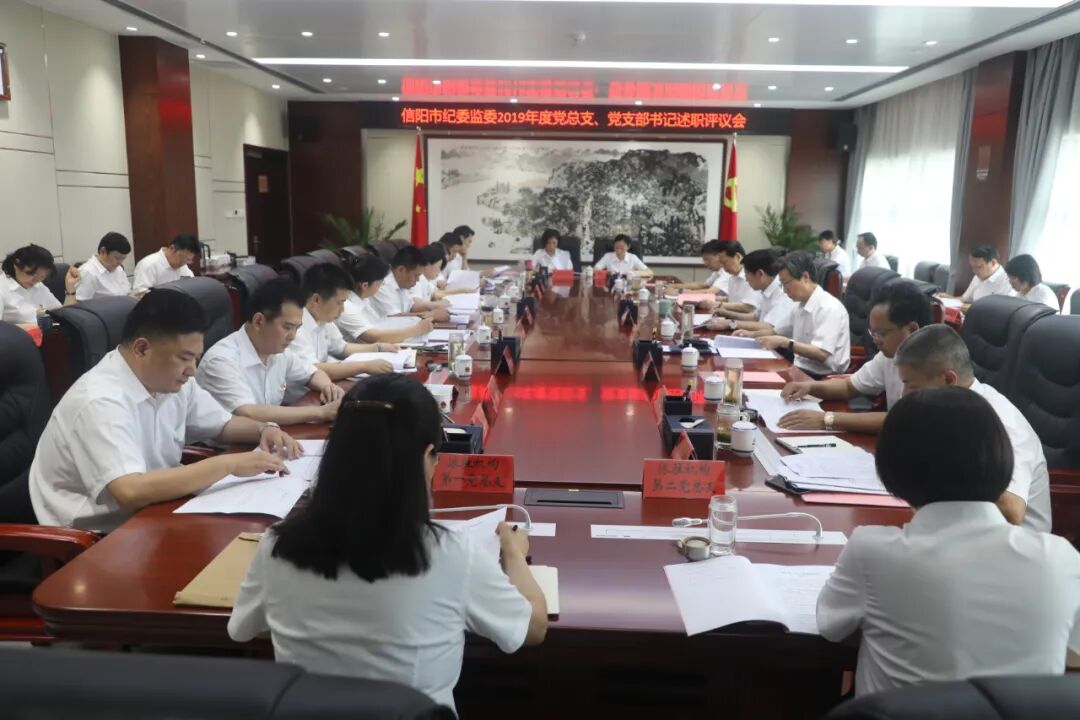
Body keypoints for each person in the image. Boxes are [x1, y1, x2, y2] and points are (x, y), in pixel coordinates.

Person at [228, 374, 547, 712]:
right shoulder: (452, 554)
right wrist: (514, 553)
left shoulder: (276, 547)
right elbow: (532, 627)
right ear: (427, 455)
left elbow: (243, 630)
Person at [817, 386, 1080, 697]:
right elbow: (1073, 654)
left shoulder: (871, 551)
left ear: (892, 469)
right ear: (1001, 458)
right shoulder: (1061, 559)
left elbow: (830, 626)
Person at [29, 290, 299, 533]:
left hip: (156, 511)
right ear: (142, 348)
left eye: (196, 358)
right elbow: (130, 491)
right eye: (184, 358)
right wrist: (229, 464)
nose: (192, 370)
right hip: (97, 535)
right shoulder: (100, 400)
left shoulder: (171, 381)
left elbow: (223, 424)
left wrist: (264, 429)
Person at [893, 324, 1050, 532]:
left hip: (1013, 543)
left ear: (948, 380)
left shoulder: (1001, 422)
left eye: (913, 387)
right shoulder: (947, 409)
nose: (904, 395)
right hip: (961, 528)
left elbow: (1012, 511)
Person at [778, 282, 932, 433]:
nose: (875, 340)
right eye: (873, 332)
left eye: (882, 334)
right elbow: (848, 387)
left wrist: (827, 419)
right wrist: (810, 387)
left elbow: (904, 419)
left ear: (912, 329)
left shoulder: (933, 365)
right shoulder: (889, 356)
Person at [196, 278, 343, 425]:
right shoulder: (221, 360)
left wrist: (328, 387)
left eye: (297, 328)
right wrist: (320, 412)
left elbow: (313, 373)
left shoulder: (278, 351)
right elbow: (249, 412)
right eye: (287, 327)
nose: (292, 336)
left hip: (268, 434)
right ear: (258, 321)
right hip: (236, 439)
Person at [290, 264, 398, 390]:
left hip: (326, 388)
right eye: (339, 303)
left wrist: (377, 347)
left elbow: (342, 348)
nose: (342, 310)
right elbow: (313, 370)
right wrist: (364, 366)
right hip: (302, 396)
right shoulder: (294, 328)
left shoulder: (323, 319)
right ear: (316, 300)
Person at [755, 251, 850, 378]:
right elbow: (777, 331)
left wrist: (785, 342)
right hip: (800, 368)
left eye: (786, 283)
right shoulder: (800, 305)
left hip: (823, 377)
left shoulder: (829, 307)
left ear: (805, 277)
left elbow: (821, 353)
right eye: (782, 285)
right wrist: (749, 335)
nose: (784, 290)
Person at [336, 254, 434, 345]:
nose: (381, 286)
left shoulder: (364, 299)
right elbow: (374, 337)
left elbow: (380, 325)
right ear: (365, 285)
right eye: (380, 283)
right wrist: (417, 329)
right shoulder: (346, 306)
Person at [711, 248, 796, 337]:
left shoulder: (782, 293)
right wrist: (725, 313)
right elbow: (755, 317)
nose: (746, 279)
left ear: (760, 274)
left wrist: (731, 324)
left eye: (747, 274)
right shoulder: (766, 289)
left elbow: (769, 327)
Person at [1, 244, 79, 324]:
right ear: (16, 265)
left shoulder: (38, 285)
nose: (35, 281)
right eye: (32, 274)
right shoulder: (2, 288)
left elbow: (63, 316)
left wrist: (70, 288)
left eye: (42, 277)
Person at [371, 246, 450, 319]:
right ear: (401, 270)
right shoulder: (381, 285)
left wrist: (434, 307)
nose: (418, 280)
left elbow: (411, 307)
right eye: (416, 275)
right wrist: (430, 315)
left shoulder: (402, 283)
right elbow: (394, 317)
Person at [699, 240, 760, 314]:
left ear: (738, 257)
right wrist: (711, 299)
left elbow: (747, 307)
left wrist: (717, 304)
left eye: (724, 262)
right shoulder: (732, 277)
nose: (722, 267)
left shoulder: (752, 276)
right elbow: (732, 299)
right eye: (721, 263)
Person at [132, 234, 199, 292]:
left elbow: (191, 285)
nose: (185, 263)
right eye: (183, 259)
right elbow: (139, 293)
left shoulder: (182, 264)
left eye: (189, 260)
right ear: (172, 248)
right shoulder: (148, 264)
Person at [75, 232, 132, 301]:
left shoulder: (118, 269)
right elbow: (80, 304)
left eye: (123, 258)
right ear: (103, 252)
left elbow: (127, 293)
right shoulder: (88, 272)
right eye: (117, 258)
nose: (120, 262)